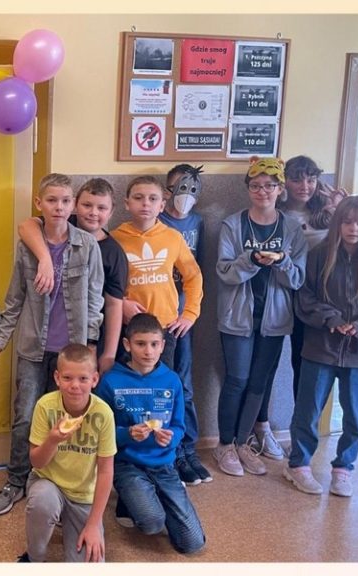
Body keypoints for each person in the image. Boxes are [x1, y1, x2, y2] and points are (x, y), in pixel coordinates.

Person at [0, 173, 104, 516]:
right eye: (51, 200)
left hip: (72, 353)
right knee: (25, 417)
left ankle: (57, 484)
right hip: (33, 350)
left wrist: (90, 347)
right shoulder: (28, 246)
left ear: (73, 204)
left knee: (66, 419)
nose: (59, 207)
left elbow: (95, 301)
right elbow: (14, 299)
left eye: (65, 201)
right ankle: (16, 480)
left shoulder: (87, 245)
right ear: (39, 204)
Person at [284, 196, 358, 497]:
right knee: (308, 411)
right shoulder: (319, 254)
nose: (353, 229)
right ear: (337, 223)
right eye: (347, 222)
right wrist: (331, 319)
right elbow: (305, 297)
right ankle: (298, 465)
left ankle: (343, 468)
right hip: (320, 347)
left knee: (355, 416)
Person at [249, 155, 350, 461]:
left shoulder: (326, 213)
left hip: (316, 302)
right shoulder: (274, 212)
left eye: (311, 179)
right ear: (284, 183)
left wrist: (340, 210)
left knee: (304, 368)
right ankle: (261, 427)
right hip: (279, 297)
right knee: (265, 365)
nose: (305, 186)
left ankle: (301, 435)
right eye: (296, 179)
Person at [213, 157, 307, 478]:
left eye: (269, 186)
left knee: (258, 382)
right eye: (255, 185)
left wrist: (281, 262)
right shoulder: (233, 224)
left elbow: (297, 279)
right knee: (237, 379)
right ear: (248, 189)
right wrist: (251, 259)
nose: (262, 191)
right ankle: (224, 444)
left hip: (275, 318)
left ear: (280, 189)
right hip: (237, 316)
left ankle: (243, 443)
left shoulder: (291, 228)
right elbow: (225, 272)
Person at [96, 313, 206, 554]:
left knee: (193, 544)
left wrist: (171, 437)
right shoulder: (110, 382)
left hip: (165, 466)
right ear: (127, 345)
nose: (148, 351)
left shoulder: (172, 380)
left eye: (154, 344)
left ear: (163, 346)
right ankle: (132, 498)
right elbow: (99, 432)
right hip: (127, 464)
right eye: (141, 344)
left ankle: (157, 497)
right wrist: (126, 434)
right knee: (152, 522)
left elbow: (179, 426)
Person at [16, 177, 127, 374]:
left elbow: (113, 304)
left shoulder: (113, 252)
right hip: (41, 339)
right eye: (87, 205)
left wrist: (108, 354)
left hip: (85, 338)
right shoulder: (60, 221)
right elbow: (26, 226)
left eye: (101, 208)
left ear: (111, 212)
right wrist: (45, 258)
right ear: (75, 205)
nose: (93, 213)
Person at [17, 343, 116, 563]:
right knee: (42, 503)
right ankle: (34, 557)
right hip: (48, 482)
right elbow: (37, 462)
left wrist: (94, 524)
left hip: (83, 496)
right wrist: (52, 440)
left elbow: (106, 471)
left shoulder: (104, 414)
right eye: (68, 378)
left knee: (90, 562)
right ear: (57, 378)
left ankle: (73, 522)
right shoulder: (45, 406)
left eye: (83, 379)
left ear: (94, 379)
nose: (75, 386)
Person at [111, 175, 202, 376]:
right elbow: (104, 281)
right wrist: (121, 304)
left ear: (162, 205)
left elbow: (193, 276)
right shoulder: (115, 238)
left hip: (164, 327)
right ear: (127, 203)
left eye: (153, 199)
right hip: (127, 326)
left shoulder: (172, 237)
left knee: (160, 382)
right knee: (128, 382)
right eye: (138, 198)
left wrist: (190, 314)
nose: (145, 203)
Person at [158, 164, 212, 486]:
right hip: (158, 318)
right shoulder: (157, 222)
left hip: (184, 319)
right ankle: (168, 452)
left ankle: (187, 449)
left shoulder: (198, 223)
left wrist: (191, 312)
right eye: (180, 188)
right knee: (162, 384)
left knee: (185, 384)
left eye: (193, 189)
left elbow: (197, 271)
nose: (186, 195)